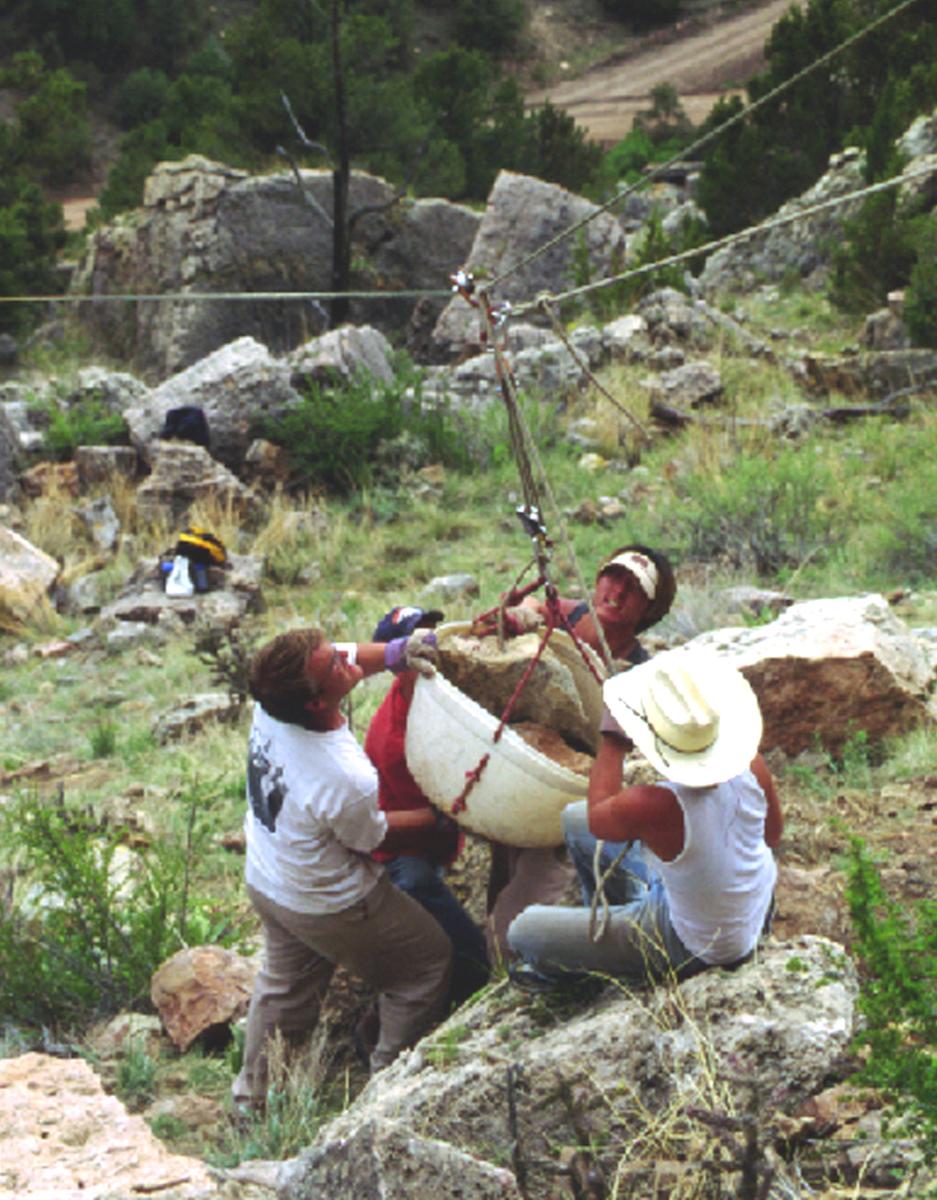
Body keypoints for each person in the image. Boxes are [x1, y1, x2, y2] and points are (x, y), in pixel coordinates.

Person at [232, 625, 452, 1111]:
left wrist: (397, 653)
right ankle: (385, 1089)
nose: (350, 659)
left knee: (285, 987)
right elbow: (371, 839)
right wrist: (440, 815)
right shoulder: (343, 774)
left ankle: (253, 1101)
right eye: (335, 665)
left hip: (270, 875)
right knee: (425, 965)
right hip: (329, 899)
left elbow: (347, 657)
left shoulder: (270, 704)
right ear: (315, 703)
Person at [506, 647, 782, 987]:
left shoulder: (654, 804)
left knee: (524, 931)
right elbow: (771, 837)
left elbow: (598, 816)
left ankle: (610, 960)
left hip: (694, 944)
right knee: (572, 819)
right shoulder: (751, 764)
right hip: (750, 910)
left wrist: (612, 740)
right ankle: (612, 926)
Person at [485, 545, 678, 960]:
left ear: (649, 610)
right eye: (614, 577)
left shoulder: (637, 672)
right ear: (599, 577)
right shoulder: (568, 615)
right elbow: (529, 605)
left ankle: (507, 968)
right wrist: (521, 612)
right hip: (515, 769)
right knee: (500, 874)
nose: (618, 592)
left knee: (517, 911)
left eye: (634, 589)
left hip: (567, 792)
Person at [365, 605, 490, 1009]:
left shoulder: (434, 696)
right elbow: (434, 813)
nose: (430, 646)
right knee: (459, 949)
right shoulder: (394, 738)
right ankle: (475, 984)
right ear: (397, 659)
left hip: (429, 843)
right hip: (401, 855)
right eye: (418, 641)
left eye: (433, 635)